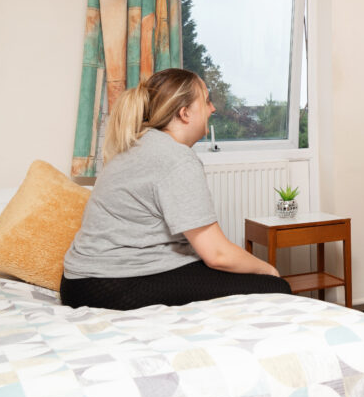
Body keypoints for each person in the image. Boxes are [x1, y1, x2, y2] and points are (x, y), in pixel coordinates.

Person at [61, 68, 291, 310]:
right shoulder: (175, 158)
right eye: (206, 100)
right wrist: (269, 270)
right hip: (107, 284)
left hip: (79, 283)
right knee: (276, 289)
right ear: (184, 113)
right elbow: (217, 255)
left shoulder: (138, 145)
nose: (212, 108)